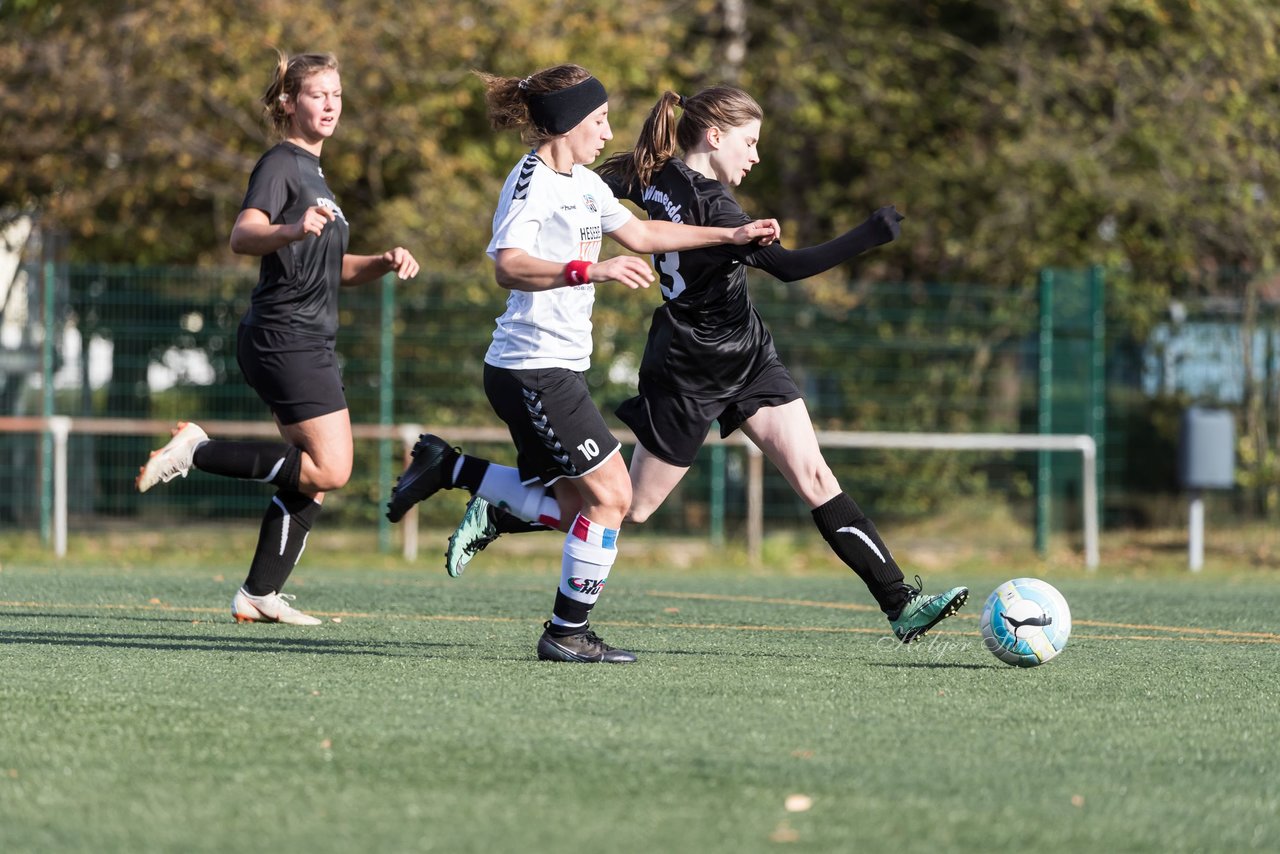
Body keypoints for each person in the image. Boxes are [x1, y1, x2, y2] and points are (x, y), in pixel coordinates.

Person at [442, 85, 968, 644]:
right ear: (715, 137)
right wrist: (868, 236)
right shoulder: (715, 207)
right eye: (750, 142)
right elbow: (788, 268)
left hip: (747, 352)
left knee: (815, 475)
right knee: (632, 507)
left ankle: (901, 604)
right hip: (688, 367)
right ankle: (501, 511)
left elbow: (599, 191)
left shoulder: (648, 172)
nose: (756, 156)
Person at [384, 65, 779, 663]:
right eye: (598, 120)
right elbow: (507, 265)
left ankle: (452, 469)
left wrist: (731, 236)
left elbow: (643, 236)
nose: (607, 131)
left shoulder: (586, 184)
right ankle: (565, 632)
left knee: (578, 509)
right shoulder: (531, 182)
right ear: (569, 122)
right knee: (613, 496)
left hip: (552, 369)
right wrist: (589, 270)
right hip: (531, 368)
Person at [135, 51, 419, 625]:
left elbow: (330, 267)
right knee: (333, 469)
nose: (332, 103)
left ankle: (258, 594)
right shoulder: (281, 164)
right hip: (283, 335)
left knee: (310, 473)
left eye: (337, 93)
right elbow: (244, 234)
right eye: (319, 94)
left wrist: (383, 262)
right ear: (290, 103)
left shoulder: (315, 174)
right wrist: (289, 227)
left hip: (306, 339)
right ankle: (196, 449)